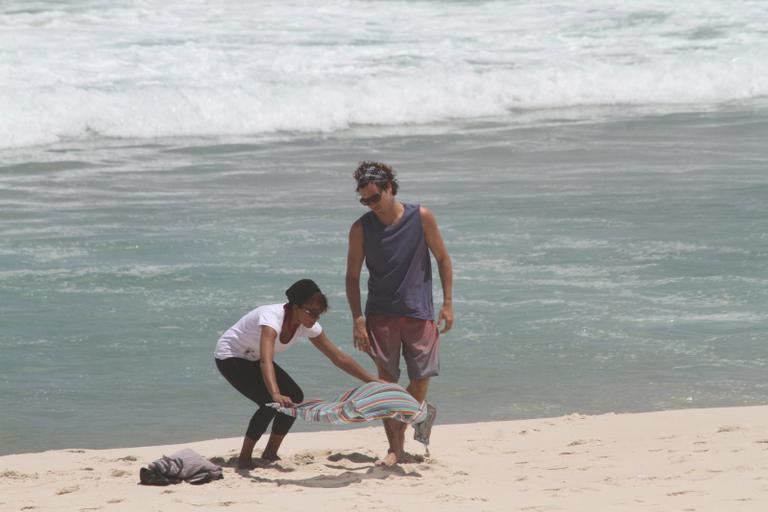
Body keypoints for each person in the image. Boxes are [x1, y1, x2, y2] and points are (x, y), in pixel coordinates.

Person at [345, 161, 454, 466]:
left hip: (419, 313)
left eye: (375, 198)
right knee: (386, 385)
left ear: (389, 188)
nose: (371, 205)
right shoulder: (360, 229)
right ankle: (396, 448)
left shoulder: (421, 217)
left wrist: (447, 302)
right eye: (364, 200)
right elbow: (352, 277)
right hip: (380, 316)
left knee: (420, 380)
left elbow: (443, 258)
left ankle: (412, 416)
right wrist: (357, 319)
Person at [214, 279, 378, 470]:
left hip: (253, 357)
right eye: (311, 312)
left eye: (319, 314)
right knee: (269, 402)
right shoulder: (271, 318)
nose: (315, 318)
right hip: (230, 355)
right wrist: (275, 393)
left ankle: (270, 452)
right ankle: (244, 458)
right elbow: (266, 360)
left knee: (295, 397)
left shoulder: (308, 326)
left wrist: (373, 381)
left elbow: (338, 357)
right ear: (295, 307)